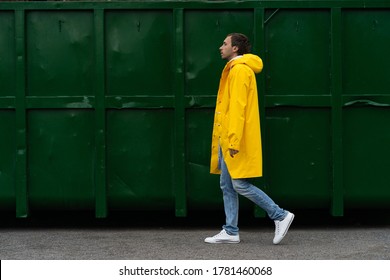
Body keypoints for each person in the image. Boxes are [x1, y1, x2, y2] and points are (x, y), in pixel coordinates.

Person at [204, 33, 294, 245]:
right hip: (227, 136)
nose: (220, 47)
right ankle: (231, 230)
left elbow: (238, 108)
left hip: (233, 138)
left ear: (235, 48)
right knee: (227, 185)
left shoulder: (240, 71)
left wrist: (233, 140)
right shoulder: (235, 69)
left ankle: (280, 215)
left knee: (239, 184)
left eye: (224, 43)